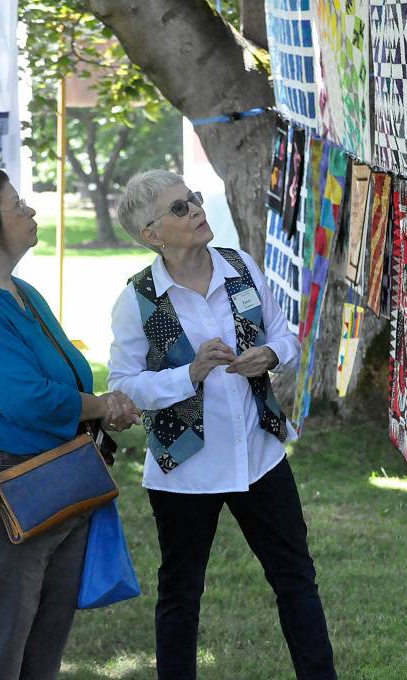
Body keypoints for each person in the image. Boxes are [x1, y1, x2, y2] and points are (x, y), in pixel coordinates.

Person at [109, 170, 338, 680]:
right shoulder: (137, 299)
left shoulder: (241, 266)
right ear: (151, 234)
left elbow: (286, 336)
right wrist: (188, 374)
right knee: (181, 594)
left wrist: (271, 355)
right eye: (178, 208)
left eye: (192, 200)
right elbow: (123, 385)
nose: (195, 210)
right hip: (185, 470)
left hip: (260, 454)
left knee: (297, 581)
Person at [0, 168, 140, 680]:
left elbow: (64, 384)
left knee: (39, 660)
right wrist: (100, 406)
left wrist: (101, 406)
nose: (31, 211)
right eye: (17, 205)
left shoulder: (23, 292)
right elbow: (31, 400)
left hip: (51, 482)